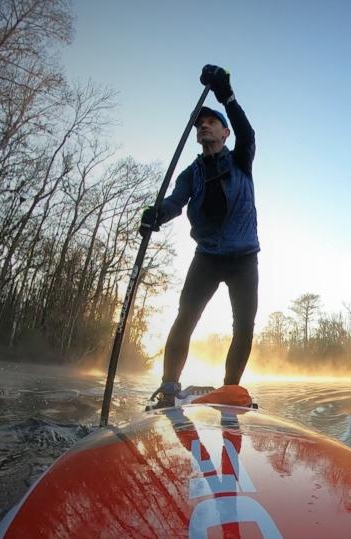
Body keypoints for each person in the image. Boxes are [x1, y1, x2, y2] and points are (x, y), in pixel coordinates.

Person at [141, 65, 259, 408]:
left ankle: (230, 390)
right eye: (200, 123)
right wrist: (155, 216)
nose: (203, 125)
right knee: (185, 318)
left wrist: (227, 96)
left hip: (243, 258)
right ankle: (168, 387)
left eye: (211, 122)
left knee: (244, 326)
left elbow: (248, 134)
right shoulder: (191, 173)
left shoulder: (240, 160)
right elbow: (174, 203)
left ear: (224, 133)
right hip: (207, 257)